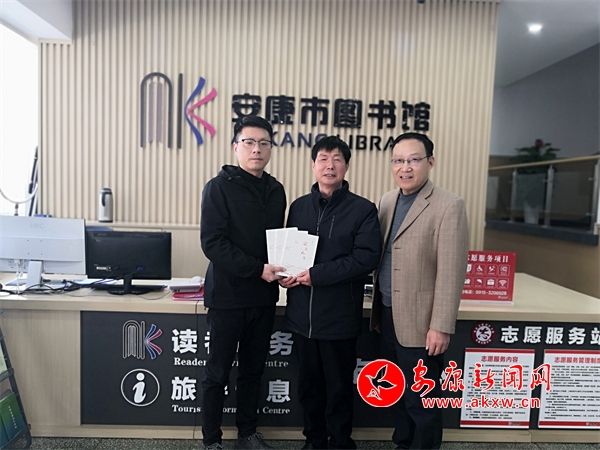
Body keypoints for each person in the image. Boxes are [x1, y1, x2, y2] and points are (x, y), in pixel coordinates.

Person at [280, 136, 381, 450]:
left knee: (338, 387)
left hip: (339, 317)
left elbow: (365, 259)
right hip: (301, 317)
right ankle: (314, 440)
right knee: (308, 387)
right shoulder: (298, 207)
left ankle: (339, 442)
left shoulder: (363, 209)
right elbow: (288, 253)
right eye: (323, 158)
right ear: (313, 165)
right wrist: (285, 275)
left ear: (346, 166)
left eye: (337, 159)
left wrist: (317, 275)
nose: (330, 165)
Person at [370, 132, 469, 449]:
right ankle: (403, 443)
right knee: (397, 390)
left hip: (422, 323)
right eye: (398, 160)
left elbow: (452, 271)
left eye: (414, 159)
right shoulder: (387, 201)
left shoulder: (448, 205)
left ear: (430, 161)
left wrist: (440, 326)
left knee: (422, 398)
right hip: (387, 315)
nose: (405, 167)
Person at [200, 115, 287, 450]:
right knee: (217, 373)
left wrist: (287, 269)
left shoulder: (276, 190)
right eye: (249, 142)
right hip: (227, 298)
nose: (256, 149)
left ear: (271, 148)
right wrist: (257, 269)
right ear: (236, 147)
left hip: (263, 297)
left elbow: (278, 243)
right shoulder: (218, 188)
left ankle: (247, 434)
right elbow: (213, 243)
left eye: (264, 143)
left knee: (253, 371)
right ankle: (211, 441)